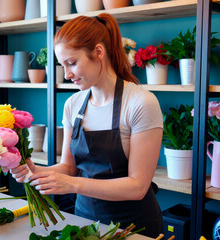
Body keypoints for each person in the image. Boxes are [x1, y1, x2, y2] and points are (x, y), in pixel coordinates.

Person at [11, 13, 164, 237]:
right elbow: (69, 168)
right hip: (83, 222)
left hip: (133, 227)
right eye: (63, 65)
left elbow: (138, 186)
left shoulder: (141, 102)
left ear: (99, 52)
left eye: (72, 63)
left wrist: (72, 185)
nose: (67, 74)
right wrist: (37, 171)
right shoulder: (73, 105)